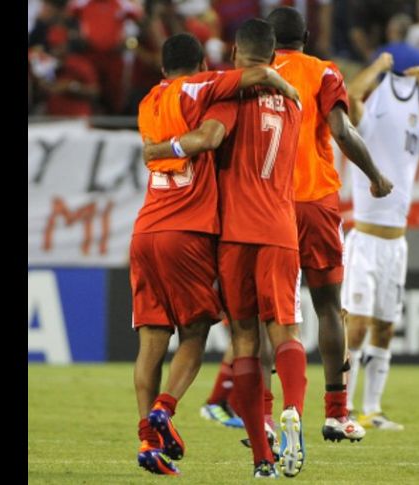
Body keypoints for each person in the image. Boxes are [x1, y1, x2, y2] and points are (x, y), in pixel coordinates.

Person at [143, 18, 307, 479]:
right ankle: (294, 408)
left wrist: (162, 148)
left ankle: (262, 457)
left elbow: (210, 137)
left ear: (235, 54)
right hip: (280, 228)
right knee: (286, 334)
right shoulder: (294, 104)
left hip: (234, 235)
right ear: (274, 58)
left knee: (244, 344)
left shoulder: (232, 97)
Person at [265, 6, 393, 443]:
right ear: (305, 35)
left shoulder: (252, 74)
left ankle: (264, 416)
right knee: (327, 306)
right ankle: (337, 413)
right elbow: (340, 130)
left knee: (271, 314)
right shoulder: (323, 72)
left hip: (266, 206)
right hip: (316, 201)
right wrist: (375, 175)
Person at [343, 53, 419, 430]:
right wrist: (379, 66)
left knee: (385, 328)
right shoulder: (369, 124)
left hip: (396, 246)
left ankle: (372, 410)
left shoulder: (415, 132)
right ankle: (341, 408)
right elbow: (350, 96)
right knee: (358, 327)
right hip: (364, 241)